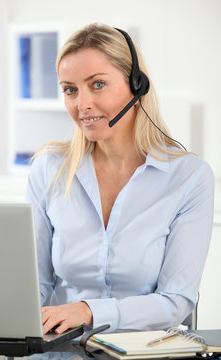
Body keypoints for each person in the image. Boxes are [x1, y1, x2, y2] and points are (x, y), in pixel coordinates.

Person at [26, 23, 214, 338]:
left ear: (137, 86)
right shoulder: (48, 168)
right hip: (62, 349)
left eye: (97, 84)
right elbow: (36, 284)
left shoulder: (189, 177)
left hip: (146, 350)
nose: (81, 104)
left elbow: (175, 300)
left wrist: (86, 311)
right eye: (70, 89)